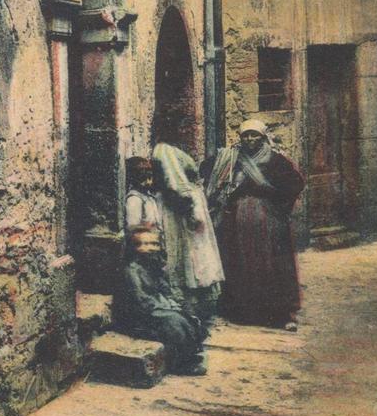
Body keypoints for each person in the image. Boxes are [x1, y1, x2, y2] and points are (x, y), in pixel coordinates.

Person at [201, 118, 305, 330]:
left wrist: (277, 200)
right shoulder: (232, 157)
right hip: (239, 222)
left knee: (271, 264)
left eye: (254, 135)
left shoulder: (275, 161)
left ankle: (276, 312)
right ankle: (244, 311)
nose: (249, 139)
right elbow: (206, 169)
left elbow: (296, 183)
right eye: (245, 135)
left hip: (268, 222)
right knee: (242, 262)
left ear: (263, 137)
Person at [152, 130, 224, 331]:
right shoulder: (164, 150)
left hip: (187, 206)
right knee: (186, 255)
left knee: (194, 255)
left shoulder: (173, 149)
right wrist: (191, 210)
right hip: (178, 211)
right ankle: (186, 306)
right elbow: (175, 184)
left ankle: (195, 307)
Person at [112, 227, 206, 375]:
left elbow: (165, 290)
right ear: (134, 247)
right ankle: (179, 364)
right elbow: (141, 299)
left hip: (155, 310)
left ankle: (189, 355)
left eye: (155, 244)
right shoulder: (132, 271)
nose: (151, 248)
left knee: (187, 314)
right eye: (144, 244)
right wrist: (166, 309)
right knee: (173, 322)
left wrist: (174, 304)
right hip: (138, 316)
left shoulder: (154, 267)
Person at [124, 156, 162, 239]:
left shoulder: (150, 197)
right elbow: (133, 228)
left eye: (150, 177)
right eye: (144, 178)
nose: (149, 182)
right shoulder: (135, 199)